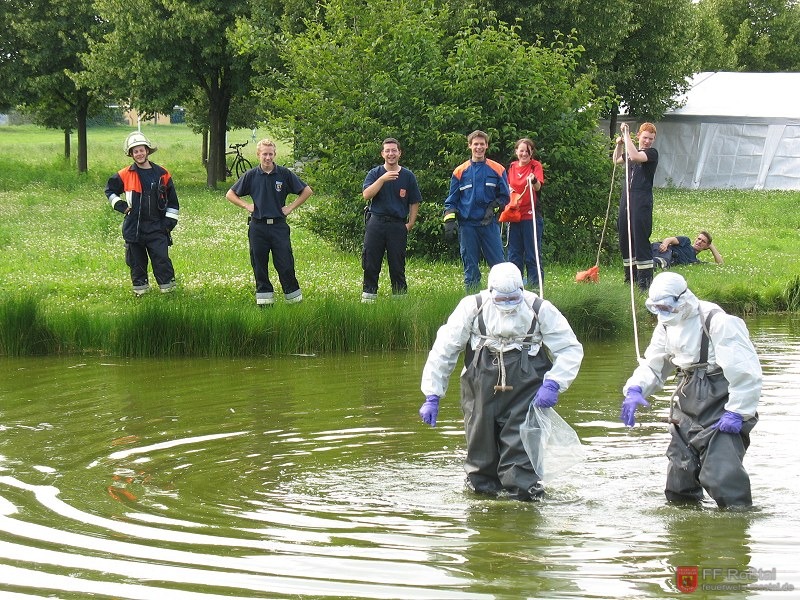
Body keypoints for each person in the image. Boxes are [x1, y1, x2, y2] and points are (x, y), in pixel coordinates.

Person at [419, 262, 584, 501]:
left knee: (522, 457)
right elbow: (444, 350)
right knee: (480, 460)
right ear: (489, 291)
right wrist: (432, 395)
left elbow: (569, 348)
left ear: (522, 288)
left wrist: (553, 383)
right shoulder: (472, 307)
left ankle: (524, 510)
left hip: (527, 391)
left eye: (513, 298)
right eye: (501, 299)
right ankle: (484, 511)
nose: (508, 304)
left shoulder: (539, 308)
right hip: (479, 390)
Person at [620, 272, 762, 509]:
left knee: (721, 473)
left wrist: (738, 411)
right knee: (679, 476)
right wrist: (636, 388)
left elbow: (745, 370)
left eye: (666, 306)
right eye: (656, 308)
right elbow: (655, 364)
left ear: (682, 298)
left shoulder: (717, 321)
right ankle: (685, 537)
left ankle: (735, 528)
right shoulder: (666, 324)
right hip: (686, 395)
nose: (662, 312)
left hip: (720, 399)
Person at [226, 139, 312, 306]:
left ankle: (294, 302)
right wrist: (246, 205)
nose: (267, 157)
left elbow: (307, 191)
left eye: (270, 154)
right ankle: (265, 304)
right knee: (259, 266)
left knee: (286, 264)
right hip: (258, 227)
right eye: (264, 154)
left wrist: (290, 208)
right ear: (258, 155)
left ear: (275, 154)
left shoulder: (284, 174)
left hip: (279, 227)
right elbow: (230, 194)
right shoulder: (251, 175)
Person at [105, 131, 180, 296]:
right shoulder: (124, 174)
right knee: (137, 265)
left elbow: (173, 203)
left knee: (162, 262)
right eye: (135, 151)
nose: (139, 154)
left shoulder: (163, 174)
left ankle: (169, 294)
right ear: (131, 154)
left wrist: (167, 226)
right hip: (134, 229)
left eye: (141, 150)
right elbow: (109, 190)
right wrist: (121, 206)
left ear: (147, 150)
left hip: (157, 229)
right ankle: (141, 294)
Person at [444, 130, 510, 290]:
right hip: (467, 226)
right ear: (470, 146)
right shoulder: (459, 171)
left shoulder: (498, 169)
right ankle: (473, 304)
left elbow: (505, 197)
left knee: (499, 266)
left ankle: (503, 297)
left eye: (482, 144)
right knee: (470, 267)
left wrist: (492, 208)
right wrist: (449, 220)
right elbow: (452, 199)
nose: (479, 147)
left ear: (486, 146)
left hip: (489, 225)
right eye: (476, 144)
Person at [360, 138, 422, 302]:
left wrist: (410, 223)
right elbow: (366, 195)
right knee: (370, 262)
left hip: (397, 224)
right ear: (382, 154)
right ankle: (368, 298)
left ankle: (399, 299)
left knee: (397, 264)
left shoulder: (408, 176)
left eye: (394, 150)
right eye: (387, 151)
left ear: (399, 153)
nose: (391, 154)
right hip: (376, 222)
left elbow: (415, 201)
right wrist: (382, 180)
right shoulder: (375, 173)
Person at [614, 122, 658, 291]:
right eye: (645, 137)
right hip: (626, 200)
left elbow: (635, 156)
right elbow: (615, 160)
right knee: (625, 237)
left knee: (640, 239)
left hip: (642, 202)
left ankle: (644, 282)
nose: (647, 141)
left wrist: (626, 135)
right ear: (639, 136)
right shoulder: (632, 151)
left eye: (651, 139)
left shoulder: (651, 153)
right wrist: (619, 145)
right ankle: (630, 278)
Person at [506, 138, 545, 287]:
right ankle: (516, 286)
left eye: (527, 151)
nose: (524, 154)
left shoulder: (535, 166)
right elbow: (508, 187)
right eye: (521, 150)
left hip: (531, 216)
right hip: (514, 216)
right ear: (516, 152)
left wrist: (533, 179)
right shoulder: (512, 167)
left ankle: (535, 287)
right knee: (514, 255)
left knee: (532, 254)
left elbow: (538, 188)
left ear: (532, 153)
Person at [652, 231, 724, 268]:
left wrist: (712, 247)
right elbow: (670, 239)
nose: (699, 242)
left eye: (703, 241)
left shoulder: (695, 262)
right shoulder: (686, 241)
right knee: (664, 261)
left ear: (706, 246)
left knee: (664, 263)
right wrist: (664, 244)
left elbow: (720, 264)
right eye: (699, 239)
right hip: (662, 251)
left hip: (667, 260)